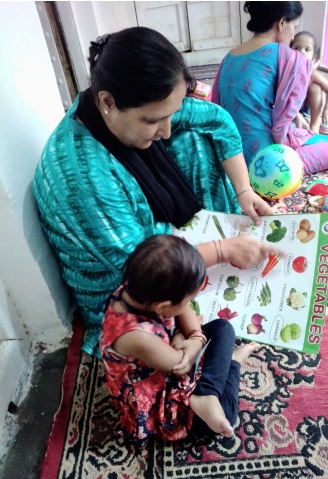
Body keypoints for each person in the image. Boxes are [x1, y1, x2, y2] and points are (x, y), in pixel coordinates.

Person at [33, 27, 277, 356]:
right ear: (107, 101)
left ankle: (216, 239)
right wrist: (221, 250)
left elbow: (217, 120)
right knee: (176, 346)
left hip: (155, 238)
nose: (165, 129)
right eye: (153, 121)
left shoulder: (121, 105)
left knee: (193, 137)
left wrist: (244, 190)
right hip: (126, 286)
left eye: (170, 114)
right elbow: (141, 266)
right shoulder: (82, 178)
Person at [101, 235, 260, 445]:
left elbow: (184, 312)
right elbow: (179, 364)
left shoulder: (141, 290)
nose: (190, 305)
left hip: (173, 350)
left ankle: (206, 394)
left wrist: (194, 335)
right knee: (227, 416)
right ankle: (232, 365)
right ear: (163, 307)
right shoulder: (137, 337)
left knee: (223, 327)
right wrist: (186, 338)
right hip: (160, 380)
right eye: (188, 300)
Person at [211, 2, 328, 174]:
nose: (293, 36)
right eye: (294, 27)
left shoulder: (229, 56)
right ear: (281, 23)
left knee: (301, 132)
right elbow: (283, 121)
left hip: (229, 157)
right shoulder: (286, 56)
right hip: (267, 161)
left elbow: (218, 105)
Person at [290, 31, 328, 135]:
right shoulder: (286, 72)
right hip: (290, 112)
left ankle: (315, 126)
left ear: (313, 58)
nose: (301, 52)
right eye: (297, 48)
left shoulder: (313, 75)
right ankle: (327, 121)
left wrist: (327, 109)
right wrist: (296, 115)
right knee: (296, 128)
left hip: (307, 112)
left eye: (307, 49)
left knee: (315, 88)